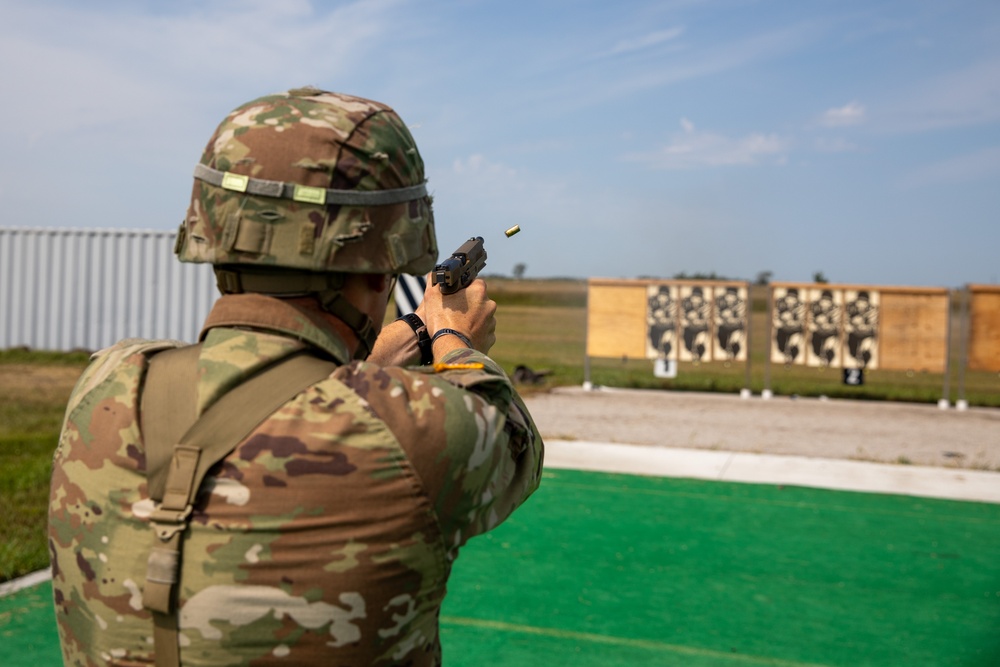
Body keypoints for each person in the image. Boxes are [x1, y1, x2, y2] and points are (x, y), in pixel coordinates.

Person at [48, 87, 544, 666]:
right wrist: (454, 338)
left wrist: (417, 324)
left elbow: (291, 378)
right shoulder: (413, 431)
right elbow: (510, 434)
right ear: (382, 262)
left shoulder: (103, 384)